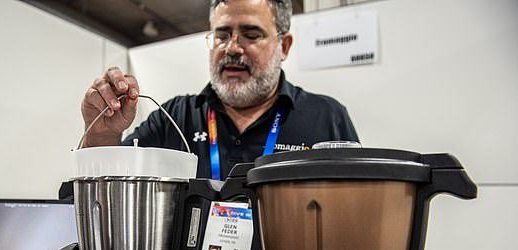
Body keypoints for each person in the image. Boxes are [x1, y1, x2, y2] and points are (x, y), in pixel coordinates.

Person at [80, 0, 358, 180]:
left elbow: (356, 211)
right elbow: (110, 187)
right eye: (222, 35)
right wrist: (103, 134)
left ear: (283, 47)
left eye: (251, 35)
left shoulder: (326, 117)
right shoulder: (175, 117)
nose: (232, 48)